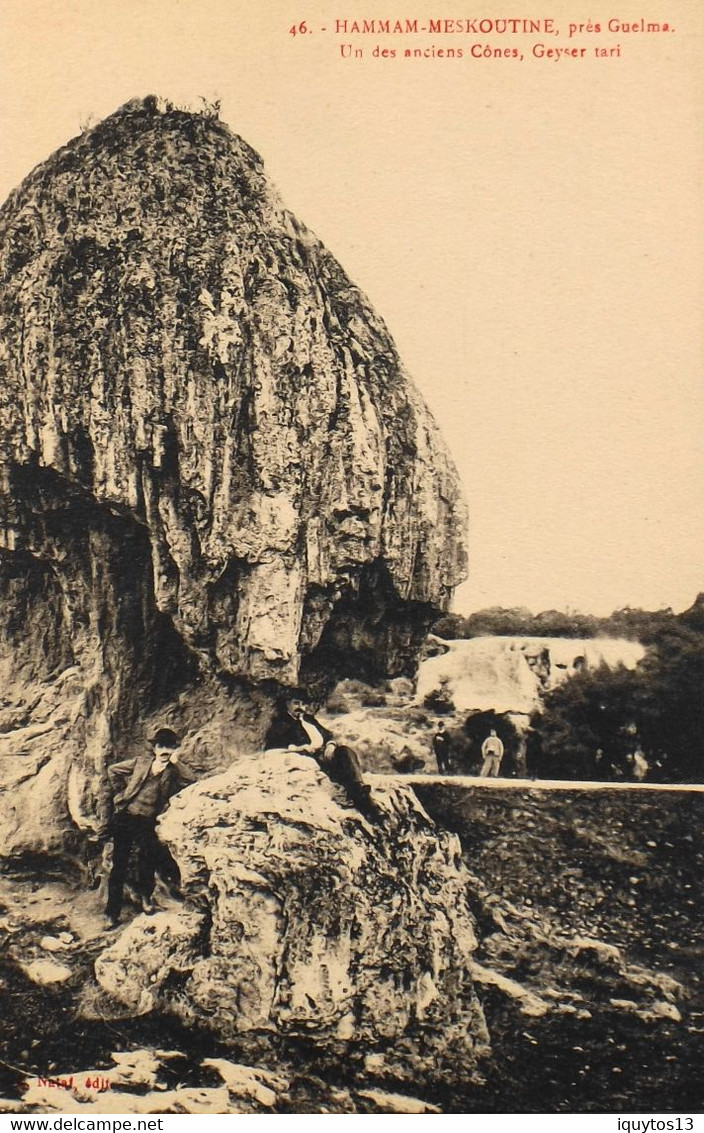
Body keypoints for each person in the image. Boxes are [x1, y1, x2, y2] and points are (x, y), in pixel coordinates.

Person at [104, 727, 191, 928]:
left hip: (148, 821)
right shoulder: (140, 763)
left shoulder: (172, 771)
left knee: (148, 861)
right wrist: (121, 794)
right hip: (127, 817)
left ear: (174, 749)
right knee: (119, 866)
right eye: (161, 745)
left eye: (169, 746)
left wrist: (178, 763)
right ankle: (111, 913)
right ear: (154, 747)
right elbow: (113, 771)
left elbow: (191, 780)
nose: (164, 750)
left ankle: (145, 898)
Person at [264, 694, 380, 821]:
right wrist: (298, 748)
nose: (300, 708)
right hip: (308, 758)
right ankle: (370, 808)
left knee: (345, 751)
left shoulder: (308, 719)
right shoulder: (282, 723)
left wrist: (330, 744)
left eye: (303, 704)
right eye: (296, 703)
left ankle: (360, 788)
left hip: (324, 754)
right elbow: (273, 745)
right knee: (346, 778)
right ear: (287, 704)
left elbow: (328, 735)